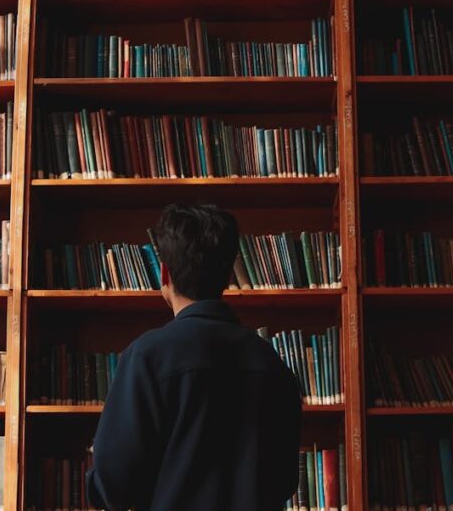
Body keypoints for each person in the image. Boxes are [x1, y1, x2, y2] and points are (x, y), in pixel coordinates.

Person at [85, 203, 302, 511]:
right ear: (229, 275)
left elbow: (113, 488)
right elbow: (284, 481)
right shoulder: (271, 363)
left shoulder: (146, 357)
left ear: (164, 274)